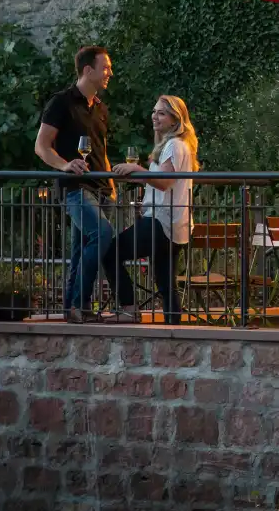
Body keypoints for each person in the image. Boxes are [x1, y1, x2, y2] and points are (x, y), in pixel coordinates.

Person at [35, 46, 116, 323]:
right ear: (88, 70)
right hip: (75, 188)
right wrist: (64, 165)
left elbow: (101, 150)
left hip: (102, 187)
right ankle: (81, 304)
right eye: (105, 68)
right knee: (102, 233)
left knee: (81, 250)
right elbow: (41, 146)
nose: (110, 73)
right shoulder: (61, 102)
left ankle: (73, 309)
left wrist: (111, 184)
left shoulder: (100, 108)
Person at [103, 95, 198, 324]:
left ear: (175, 120)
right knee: (165, 281)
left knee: (109, 253)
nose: (155, 116)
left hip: (161, 220)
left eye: (161, 113)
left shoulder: (175, 145)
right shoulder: (175, 145)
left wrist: (136, 169)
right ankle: (174, 329)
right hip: (174, 223)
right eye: (154, 111)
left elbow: (164, 182)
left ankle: (129, 309)